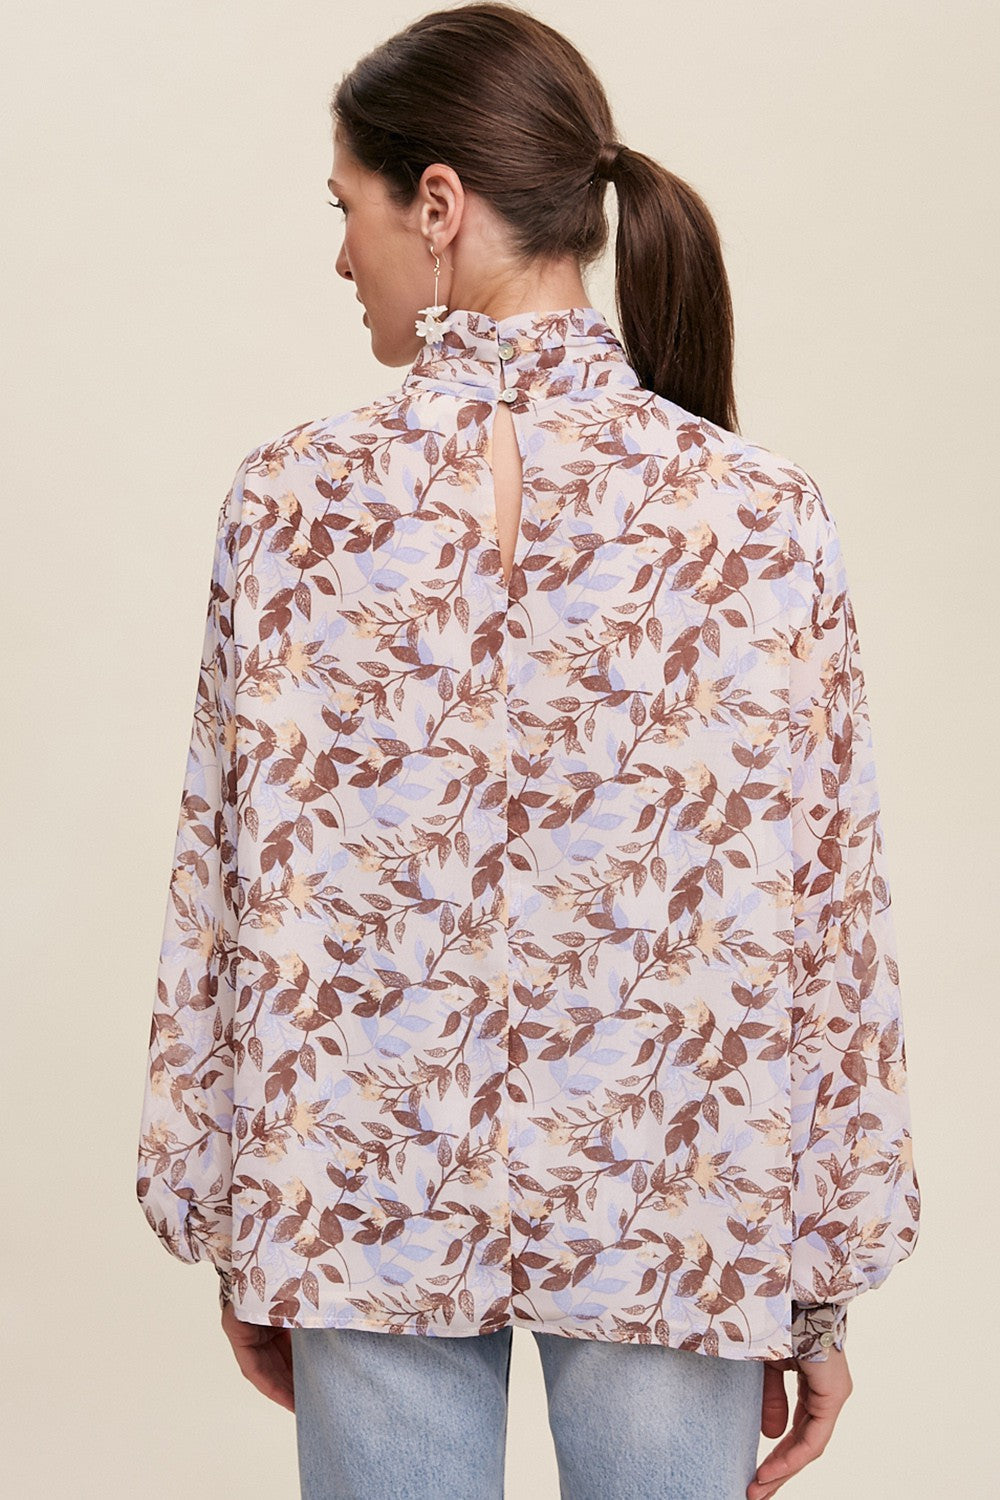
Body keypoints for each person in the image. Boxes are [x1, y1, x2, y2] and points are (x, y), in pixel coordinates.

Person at [135, 5, 921, 1497]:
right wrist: (815, 1288)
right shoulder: (758, 515)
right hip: (677, 1198)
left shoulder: (290, 504)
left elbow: (220, 901)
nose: (342, 256)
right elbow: (829, 924)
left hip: (361, 1193)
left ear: (437, 205)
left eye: (349, 208)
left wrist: (245, 1226)